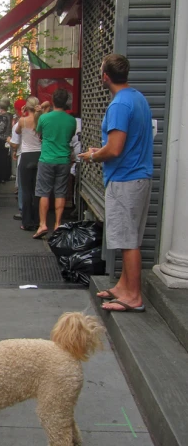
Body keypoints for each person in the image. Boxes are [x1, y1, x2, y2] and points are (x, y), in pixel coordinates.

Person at [79, 53, 153, 313]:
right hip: (137, 176)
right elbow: (124, 143)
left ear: (105, 76)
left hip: (125, 179)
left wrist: (91, 155)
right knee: (128, 237)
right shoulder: (137, 98)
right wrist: (102, 149)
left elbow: (115, 149)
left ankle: (133, 297)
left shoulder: (119, 105)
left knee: (128, 240)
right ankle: (123, 286)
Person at [34, 88, 77, 238]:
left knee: (44, 192)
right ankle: (58, 224)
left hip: (46, 158)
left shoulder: (44, 118)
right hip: (63, 159)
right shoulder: (71, 120)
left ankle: (43, 224)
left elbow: (39, 133)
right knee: (60, 192)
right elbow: (70, 136)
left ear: (53, 101)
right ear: (66, 102)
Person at [16, 97, 42, 231]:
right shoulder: (41, 120)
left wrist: (22, 114)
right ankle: (38, 220)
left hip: (26, 156)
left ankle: (26, 222)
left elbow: (17, 131)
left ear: (27, 107)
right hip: (39, 155)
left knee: (26, 190)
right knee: (37, 190)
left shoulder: (22, 120)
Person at [0, 100, 13, 183]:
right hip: (5, 139)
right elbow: (9, 127)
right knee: (4, 158)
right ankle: (4, 176)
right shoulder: (9, 116)